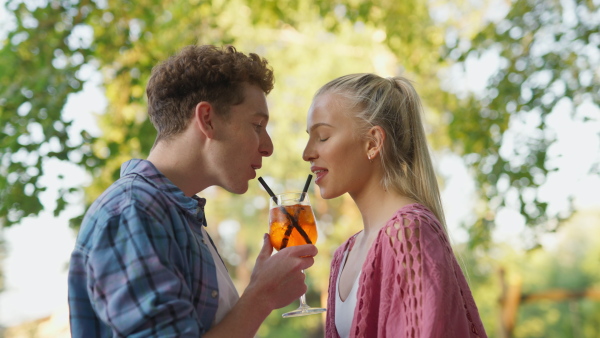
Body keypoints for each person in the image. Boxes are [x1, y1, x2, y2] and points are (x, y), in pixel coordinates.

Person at [68, 45, 317, 337]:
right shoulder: (134, 211)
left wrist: (258, 294)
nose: (268, 146)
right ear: (207, 119)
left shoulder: (176, 216)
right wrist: (260, 297)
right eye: (257, 125)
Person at [302, 73, 487, 337]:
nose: (306, 153)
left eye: (322, 137)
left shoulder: (410, 233)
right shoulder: (343, 255)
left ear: (373, 142)